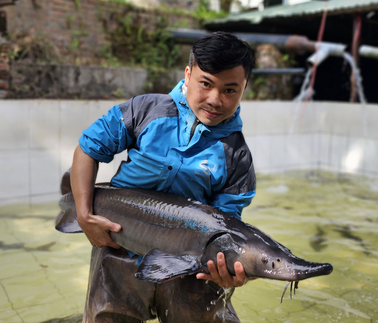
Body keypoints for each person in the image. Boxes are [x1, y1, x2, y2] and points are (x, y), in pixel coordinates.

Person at [70, 31, 257, 323]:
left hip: (190, 268)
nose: (215, 99)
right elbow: (87, 148)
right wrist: (83, 214)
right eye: (205, 84)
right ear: (188, 74)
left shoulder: (237, 156)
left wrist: (228, 270)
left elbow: (225, 229)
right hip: (121, 250)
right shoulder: (145, 111)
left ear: (244, 89)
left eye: (230, 90)